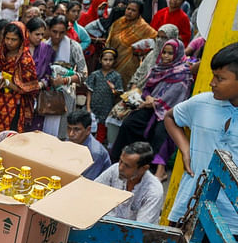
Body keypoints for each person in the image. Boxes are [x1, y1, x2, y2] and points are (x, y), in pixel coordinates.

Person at [165, 42, 238, 232]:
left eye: (220, 78)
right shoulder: (201, 103)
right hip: (189, 208)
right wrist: (185, 149)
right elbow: (170, 117)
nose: (212, 82)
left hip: (231, 220)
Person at [110, 39, 193, 176]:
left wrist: (156, 103)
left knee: (161, 133)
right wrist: (148, 98)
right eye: (164, 52)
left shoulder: (183, 73)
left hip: (168, 111)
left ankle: (154, 169)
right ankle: (121, 159)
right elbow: (147, 88)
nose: (166, 56)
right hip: (150, 106)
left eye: (170, 53)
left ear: (177, 54)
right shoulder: (158, 68)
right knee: (129, 123)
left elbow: (177, 96)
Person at [0, 22, 40, 144]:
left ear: (21, 40)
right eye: (7, 38)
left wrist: (8, 83)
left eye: (14, 39)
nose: (9, 42)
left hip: (14, 105)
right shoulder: (2, 53)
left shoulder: (25, 59)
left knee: (7, 139)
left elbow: (30, 87)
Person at [95, 142, 163, 223]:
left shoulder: (153, 191)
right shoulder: (114, 170)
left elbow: (141, 228)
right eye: (120, 161)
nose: (120, 167)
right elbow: (92, 191)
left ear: (144, 168)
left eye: (127, 166)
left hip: (130, 233)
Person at [44, 15, 87, 139]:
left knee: (62, 132)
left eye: (61, 33)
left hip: (66, 96)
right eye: (54, 32)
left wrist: (64, 80)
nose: (57, 36)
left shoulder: (74, 47)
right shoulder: (44, 46)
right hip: (46, 95)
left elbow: (83, 74)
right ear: (49, 30)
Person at [107, 0, 157, 86]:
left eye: (133, 10)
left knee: (121, 89)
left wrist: (143, 51)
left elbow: (156, 38)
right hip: (111, 60)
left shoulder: (144, 28)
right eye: (128, 9)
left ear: (139, 13)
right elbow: (110, 37)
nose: (129, 12)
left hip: (128, 65)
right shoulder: (120, 22)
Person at [85, 48, 123, 143]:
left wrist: (113, 88)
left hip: (106, 108)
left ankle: (97, 149)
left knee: (101, 132)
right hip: (93, 106)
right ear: (100, 60)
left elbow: (118, 93)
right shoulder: (95, 74)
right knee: (89, 129)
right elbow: (89, 91)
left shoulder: (116, 76)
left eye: (110, 60)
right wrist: (88, 107)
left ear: (114, 61)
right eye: (105, 59)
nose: (108, 62)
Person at [67, 110, 111, 180]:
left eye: (77, 129)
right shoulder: (70, 141)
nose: (71, 134)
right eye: (69, 128)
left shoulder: (95, 153)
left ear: (88, 130)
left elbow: (86, 181)